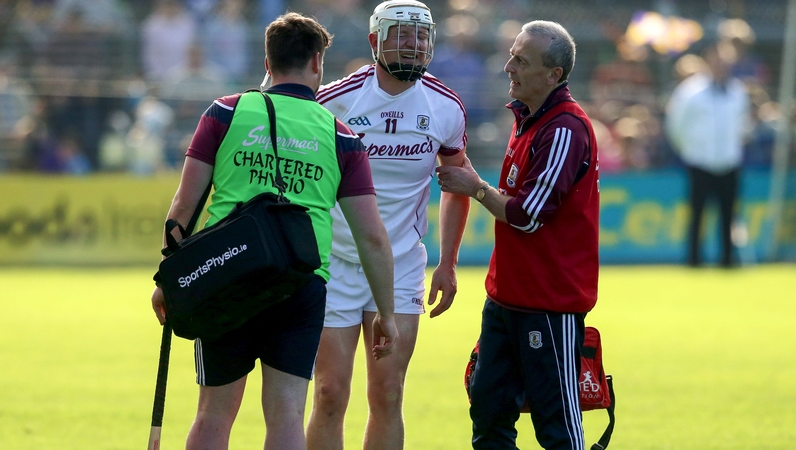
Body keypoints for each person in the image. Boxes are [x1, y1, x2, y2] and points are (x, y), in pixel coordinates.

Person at [149, 12, 399, 450]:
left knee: (212, 414)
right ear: (318, 63)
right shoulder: (342, 136)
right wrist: (387, 313)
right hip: (300, 283)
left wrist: (170, 277)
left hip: (223, 273)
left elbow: (185, 205)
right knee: (286, 414)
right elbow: (373, 237)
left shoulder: (225, 112)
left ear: (267, 62)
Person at [306, 1, 470, 449]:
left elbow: (457, 181)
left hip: (399, 265)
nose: (413, 45)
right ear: (375, 40)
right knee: (328, 393)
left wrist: (447, 262)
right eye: (401, 34)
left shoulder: (446, 106)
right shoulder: (334, 100)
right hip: (334, 262)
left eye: (420, 37)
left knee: (388, 393)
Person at [435, 20, 600, 449]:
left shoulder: (564, 128)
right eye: (512, 54)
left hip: (548, 303)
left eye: (521, 61)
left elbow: (527, 215)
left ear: (553, 76)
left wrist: (476, 187)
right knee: (488, 416)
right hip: (506, 298)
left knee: (558, 427)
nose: (508, 66)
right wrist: (476, 182)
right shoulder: (530, 117)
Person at [665, 40, 750, 268]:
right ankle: (694, 260)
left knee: (728, 215)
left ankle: (728, 260)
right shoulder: (690, 91)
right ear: (708, 61)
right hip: (700, 162)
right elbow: (676, 126)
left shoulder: (738, 91)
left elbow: (743, 126)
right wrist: (690, 151)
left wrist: (735, 149)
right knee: (698, 215)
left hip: (729, 163)